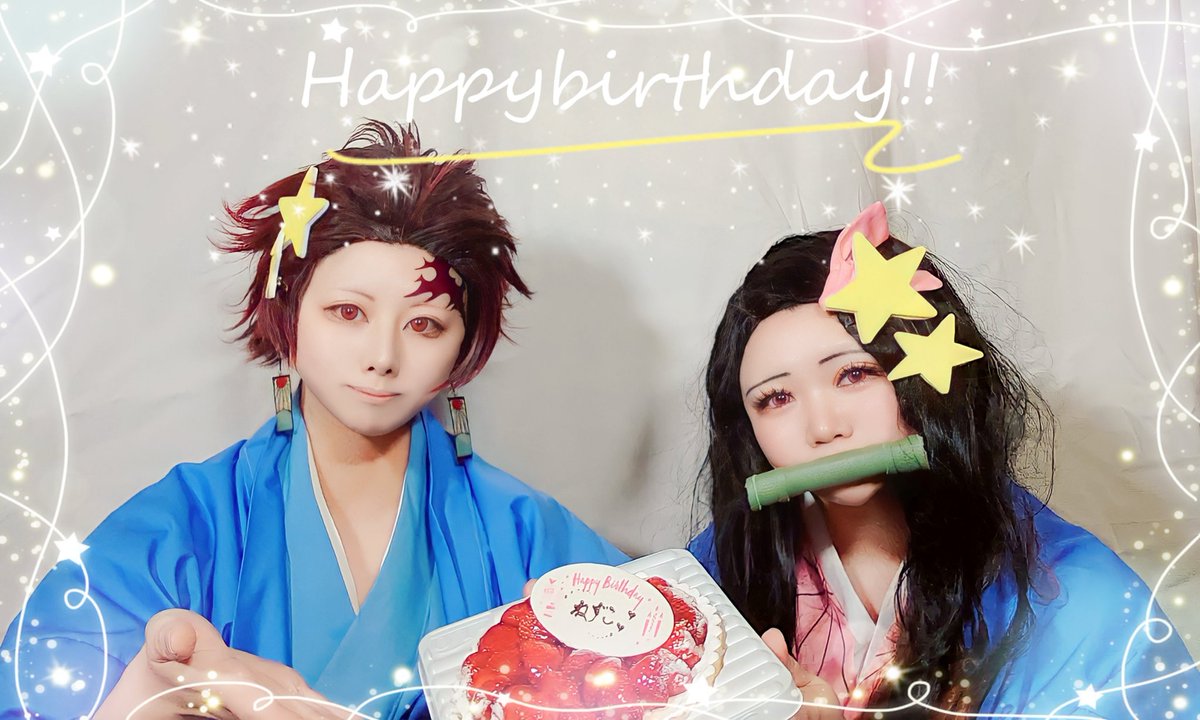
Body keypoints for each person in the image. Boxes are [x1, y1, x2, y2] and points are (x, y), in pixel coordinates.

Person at [0, 121, 627, 720]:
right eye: (348, 313)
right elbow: (33, 690)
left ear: (462, 350)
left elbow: (664, 674)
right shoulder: (183, 527)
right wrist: (148, 691)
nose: (382, 356)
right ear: (289, 317)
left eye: (424, 324)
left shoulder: (527, 535)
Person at [687, 203, 1197, 719]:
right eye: (776, 398)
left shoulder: (1079, 599)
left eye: (854, 374)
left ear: (924, 376)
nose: (823, 428)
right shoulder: (717, 572)